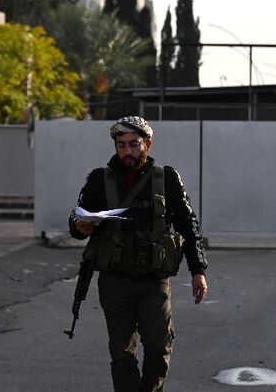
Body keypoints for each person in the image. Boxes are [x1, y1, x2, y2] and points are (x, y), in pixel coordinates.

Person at [68, 116, 208, 392]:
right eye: (121, 145)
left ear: (148, 144)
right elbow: (78, 218)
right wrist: (80, 226)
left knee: (158, 347)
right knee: (121, 351)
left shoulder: (167, 179)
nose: (127, 152)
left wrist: (198, 271)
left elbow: (188, 226)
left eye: (134, 144)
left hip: (153, 280)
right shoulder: (99, 179)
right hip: (115, 279)